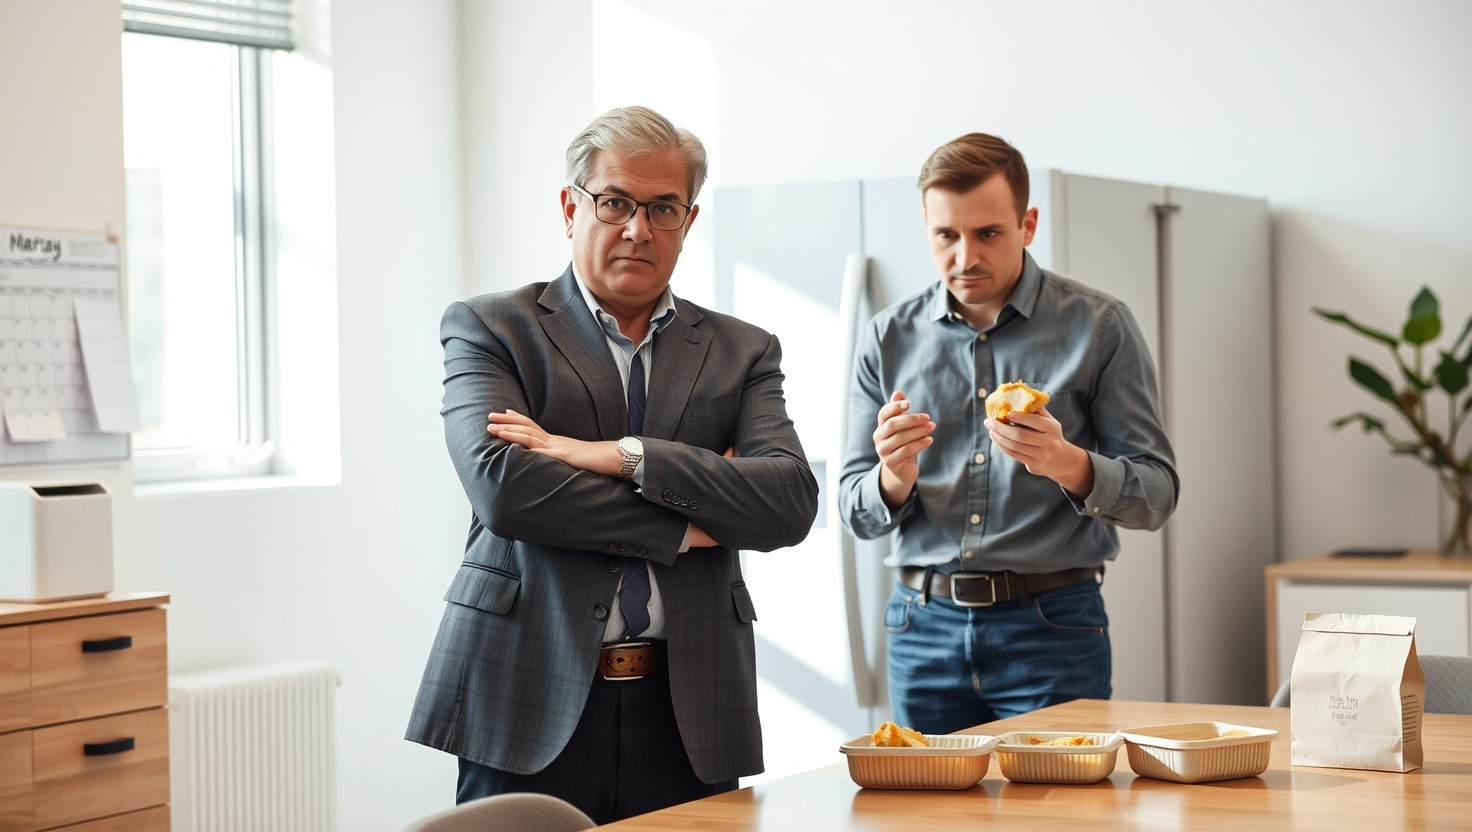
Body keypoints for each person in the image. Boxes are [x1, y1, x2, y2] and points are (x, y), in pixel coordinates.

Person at [406, 106, 819, 824]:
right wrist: (691, 526)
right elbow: (507, 491)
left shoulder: (743, 351)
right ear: (572, 208)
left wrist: (624, 458)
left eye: (663, 208)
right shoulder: (492, 328)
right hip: (525, 690)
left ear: (688, 221)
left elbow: (787, 502)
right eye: (616, 202)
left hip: (691, 709)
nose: (638, 229)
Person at [837, 133, 1179, 736]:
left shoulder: (1099, 326)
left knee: (1056, 797)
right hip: (920, 630)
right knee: (925, 798)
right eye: (946, 235)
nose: (965, 256)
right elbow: (851, 509)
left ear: (1028, 225)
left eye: (988, 233)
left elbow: (1158, 496)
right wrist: (892, 478)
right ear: (926, 228)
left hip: (1052, 629)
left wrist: (1067, 463)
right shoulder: (887, 337)